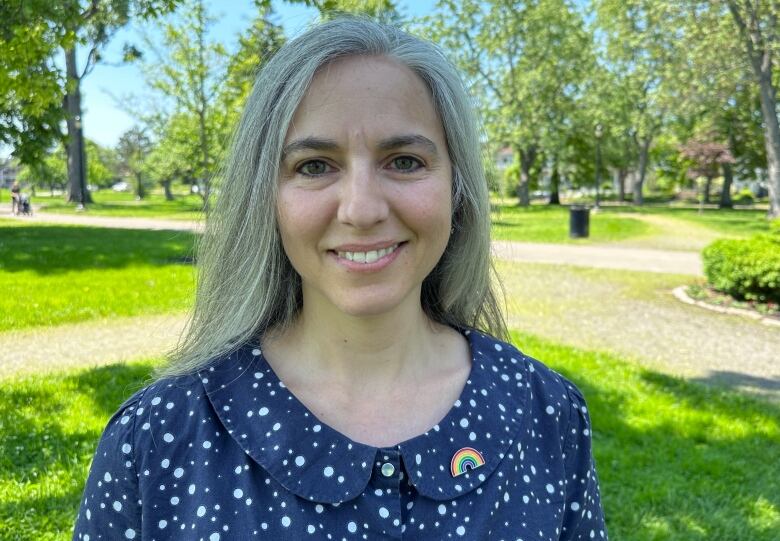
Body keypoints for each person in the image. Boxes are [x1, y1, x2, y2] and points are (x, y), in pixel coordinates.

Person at [73, 17, 607, 541]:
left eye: (403, 160)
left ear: (457, 186)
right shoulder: (158, 438)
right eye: (313, 166)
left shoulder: (547, 411)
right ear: (266, 198)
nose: (361, 209)